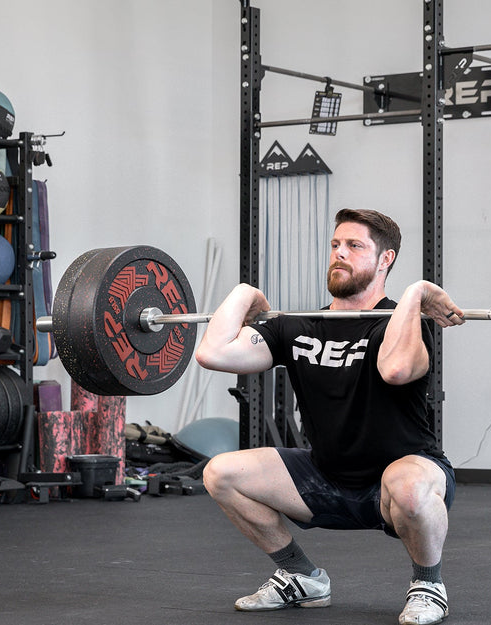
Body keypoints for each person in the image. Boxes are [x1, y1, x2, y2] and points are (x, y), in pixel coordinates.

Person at [195, 208, 464, 625]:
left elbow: (394, 370)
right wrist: (247, 293)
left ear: (385, 259)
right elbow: (212, 353)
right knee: (220, 473)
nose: (340, 254)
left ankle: (429, 584)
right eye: (336, 245)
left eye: (354, 246)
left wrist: (415, 294)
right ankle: (302, 577)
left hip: (398, 482)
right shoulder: (299, 325)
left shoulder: (404, 324)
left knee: (408, 485)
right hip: (325, 476)